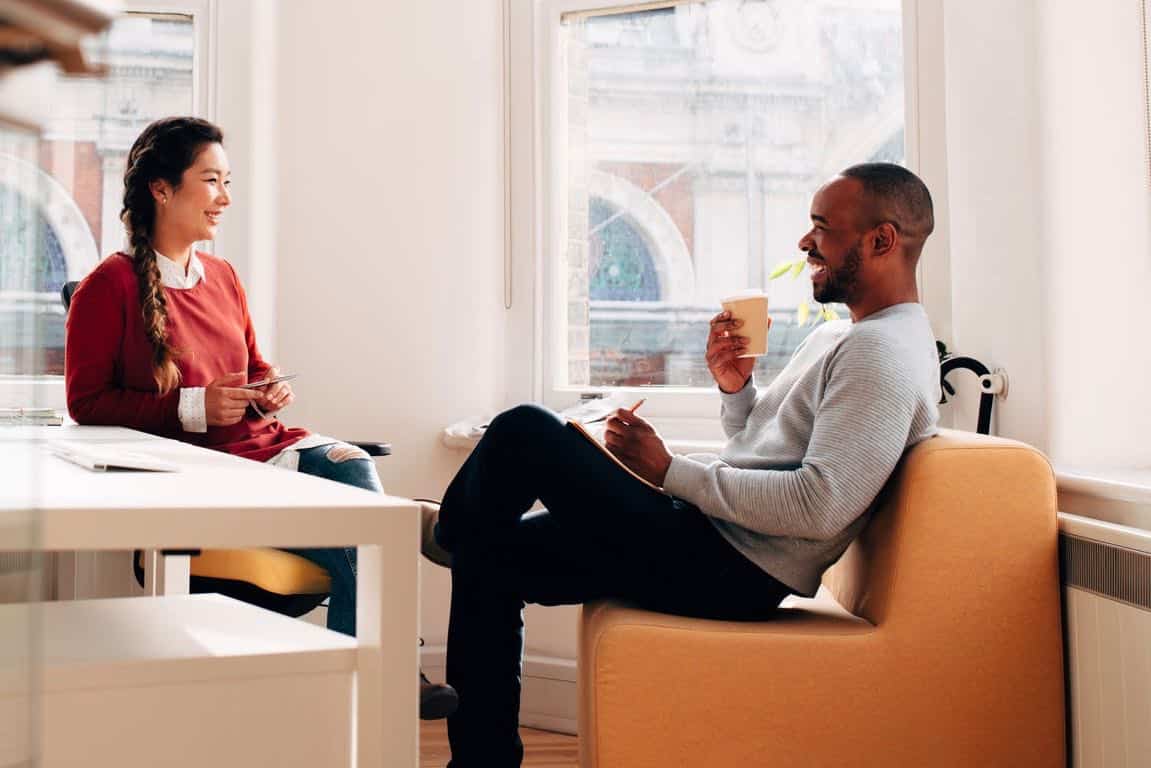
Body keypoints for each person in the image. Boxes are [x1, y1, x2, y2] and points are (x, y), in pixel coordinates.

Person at [425, 162, 942, 766]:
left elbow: (819, 506)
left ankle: (445, 530)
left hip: (731, 567)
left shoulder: (882, 354)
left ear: (881, 240)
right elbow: (762, 453)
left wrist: (667, 470)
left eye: (822, 228)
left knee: (524, 431)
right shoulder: (841, 337)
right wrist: (736, 392)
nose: (806, 243)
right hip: (710, 541)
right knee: (491, 560)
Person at [63, 116, 457, 721]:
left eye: (228, 181)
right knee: (367, 540)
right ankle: (386, 657)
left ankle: (363, 686)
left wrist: (266, 388)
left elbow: (252, 363)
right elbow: (84, 405)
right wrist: (192, 406)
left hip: (270, 450)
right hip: (211, 477)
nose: (225, 197)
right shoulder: (106, 287)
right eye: (211, 180)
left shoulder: (223, 276)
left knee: (351, 466)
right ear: (161, 190)